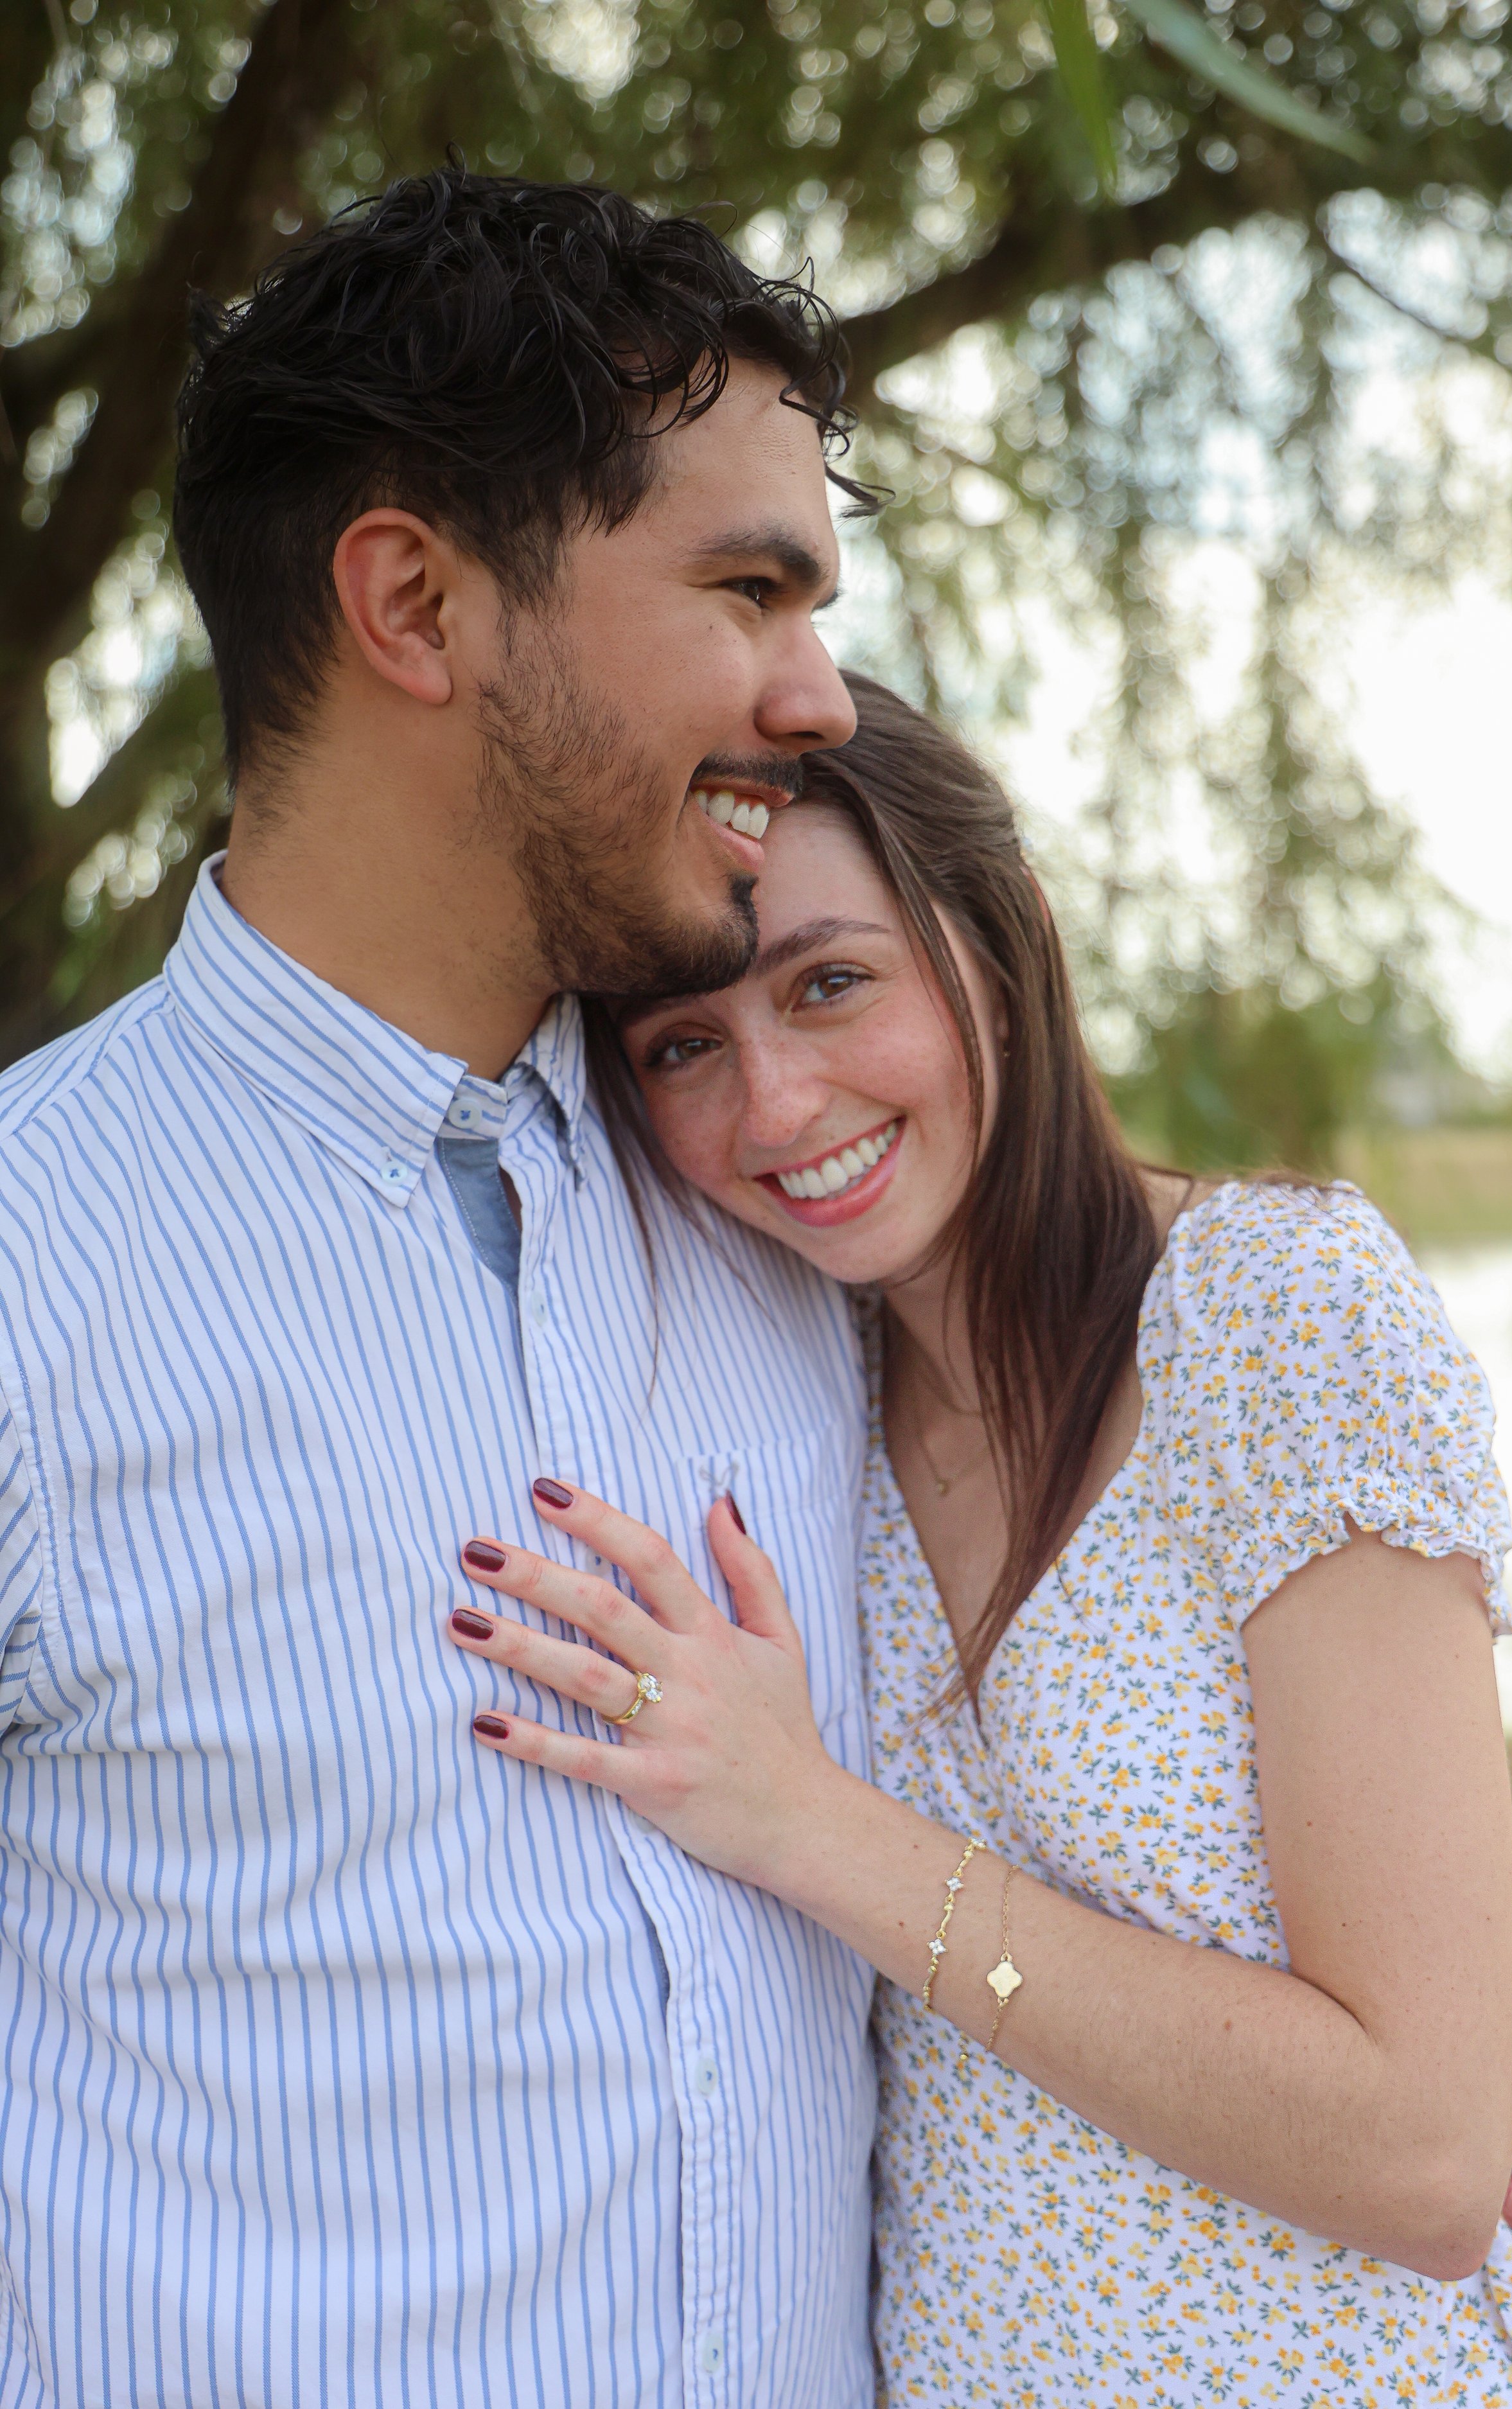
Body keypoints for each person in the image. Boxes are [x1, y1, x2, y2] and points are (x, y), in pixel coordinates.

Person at [449, 674, 1512, 2405]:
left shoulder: (1274, 1323)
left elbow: (1424, 2164)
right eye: (683, 1046)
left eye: (832, 984)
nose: (773, 1108)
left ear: (999, 937)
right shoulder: (795, 1391)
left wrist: (810, 1823)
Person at [0, 173, 884, 2405]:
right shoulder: (26, 1269)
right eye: (747, 586)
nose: (823, 692)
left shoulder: (796, 1218)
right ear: (414, 599)